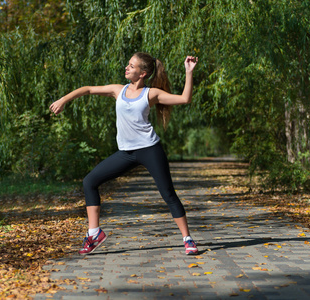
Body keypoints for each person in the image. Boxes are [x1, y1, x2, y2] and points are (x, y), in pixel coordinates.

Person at [49, 52, 199, 255]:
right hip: (126, 153)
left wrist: (189, 72)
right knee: (89, 182)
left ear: (142, 73)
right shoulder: (118, 90)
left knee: (168, 194)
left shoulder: (151, 93)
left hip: (149, 149)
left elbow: (185, 99)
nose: (126, 68)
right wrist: (64, 99)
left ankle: (187, 239)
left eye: (131, 66)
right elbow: (88, 89)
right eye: (128, 64)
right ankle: (94, 234)